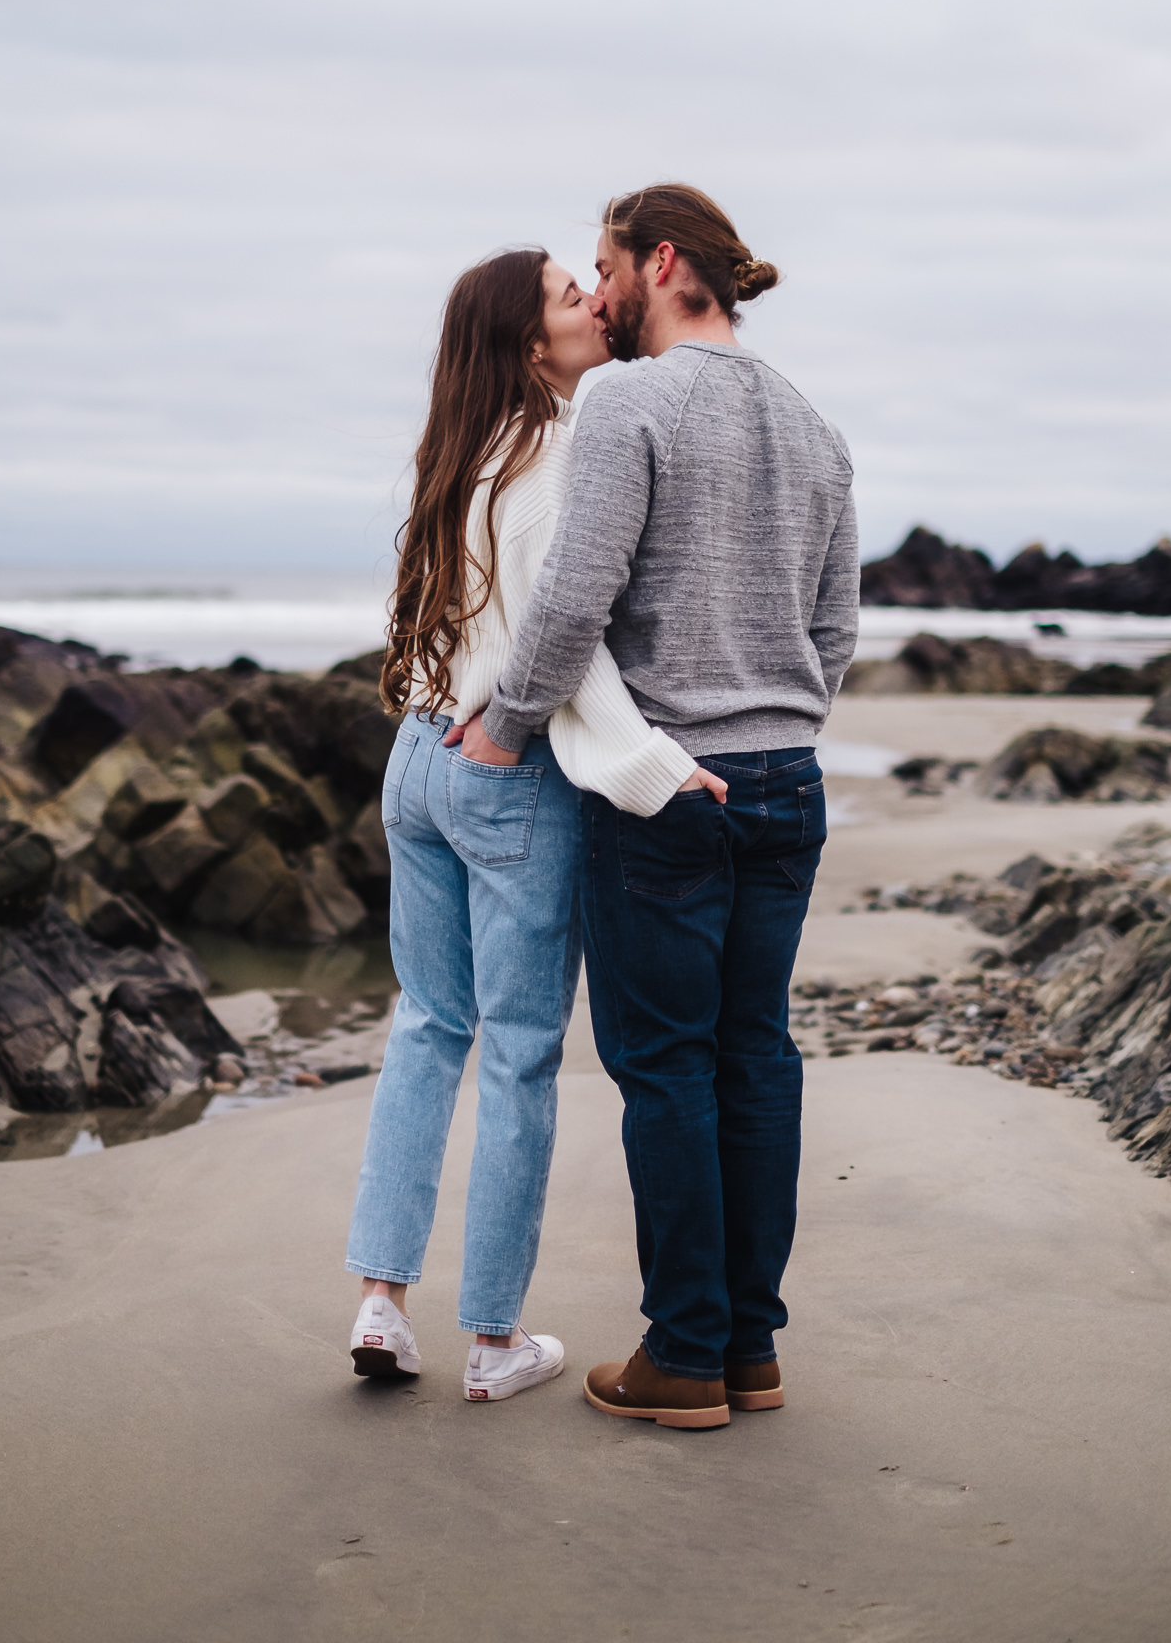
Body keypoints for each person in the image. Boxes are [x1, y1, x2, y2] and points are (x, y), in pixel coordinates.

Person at [459, 184, 859, 1429]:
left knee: (667, 1067)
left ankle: (683, 1353)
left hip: (667, 787)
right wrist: (782, 725)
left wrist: (506, 722)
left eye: (604, 264)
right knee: (758, 1057)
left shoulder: (628, 399)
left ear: (662, 260)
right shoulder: (815, 422)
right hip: (788, 781)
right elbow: (836, 629)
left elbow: (575, 596)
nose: (598, 289)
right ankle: (750, 1349)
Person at [345, 246, 724, 1405]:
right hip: (502, 772)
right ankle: (495, 1336)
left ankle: (380, 1301)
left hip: (416, 757)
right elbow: (564, 643)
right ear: (528, 344)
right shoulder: (560, 451)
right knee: (515, 1051)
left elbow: (473, 627)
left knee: (426, 1028)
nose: (595, 304)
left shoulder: (455, 454)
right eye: (571, 297)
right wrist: (660, 766)